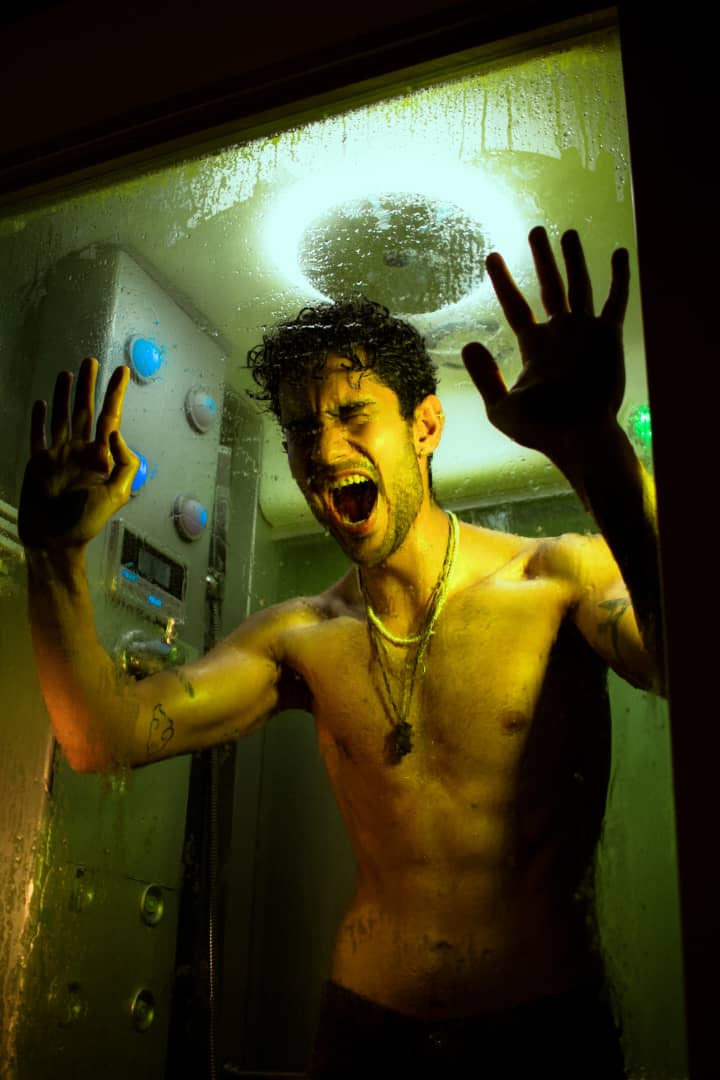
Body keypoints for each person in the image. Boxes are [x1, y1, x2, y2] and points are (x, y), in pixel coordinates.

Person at [18, 226, 662, 1078]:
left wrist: (595, 444)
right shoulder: (302, 636)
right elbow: (103, 737)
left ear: (425, 425)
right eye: (300, 430)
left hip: (541, 1034)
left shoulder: (556, 578)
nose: (323, 452)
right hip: (365, 1034)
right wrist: (53, 559)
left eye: (354, 416)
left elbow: (686, 665)